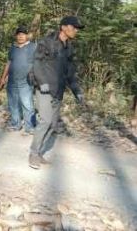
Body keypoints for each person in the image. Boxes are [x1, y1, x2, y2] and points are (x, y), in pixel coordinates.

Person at [29, 16, 87, 169]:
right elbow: (36, 63)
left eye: (76, 29)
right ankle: (33, 154)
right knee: (45, 121)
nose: (75, 31)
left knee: (53, 125)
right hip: (45, 89)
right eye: (73, 27)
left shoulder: (69, 48)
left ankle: (39, 152)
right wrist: (42, 82)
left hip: (58, 91)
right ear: (63, 27)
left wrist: (77, 92)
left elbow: (70, 74)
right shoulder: (46, 42)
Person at [0, 26, 36, 133]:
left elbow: (40, 61)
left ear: (27, 36)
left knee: (28, 105)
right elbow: (8, 63)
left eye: (23, 34)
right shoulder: (13, 48)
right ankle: (16, 124)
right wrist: (3, 78)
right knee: (13, 104)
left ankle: (30, 127)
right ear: (16, 36)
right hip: (12, 81)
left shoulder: (33, 47)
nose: (21, 36)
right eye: (19, 34)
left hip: (26, 82)